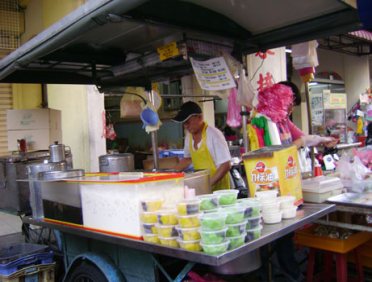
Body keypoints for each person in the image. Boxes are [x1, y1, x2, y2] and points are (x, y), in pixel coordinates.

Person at [172, 101, 231, 191]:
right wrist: (170, 174)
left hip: (220, 190)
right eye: (184, 123)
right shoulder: (189, 137)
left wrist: (208, 184)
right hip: (202, 187)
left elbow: (226, 165)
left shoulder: (214, 135)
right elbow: (188, 159)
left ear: (200, 117)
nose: (186, 126)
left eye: (188, 122)